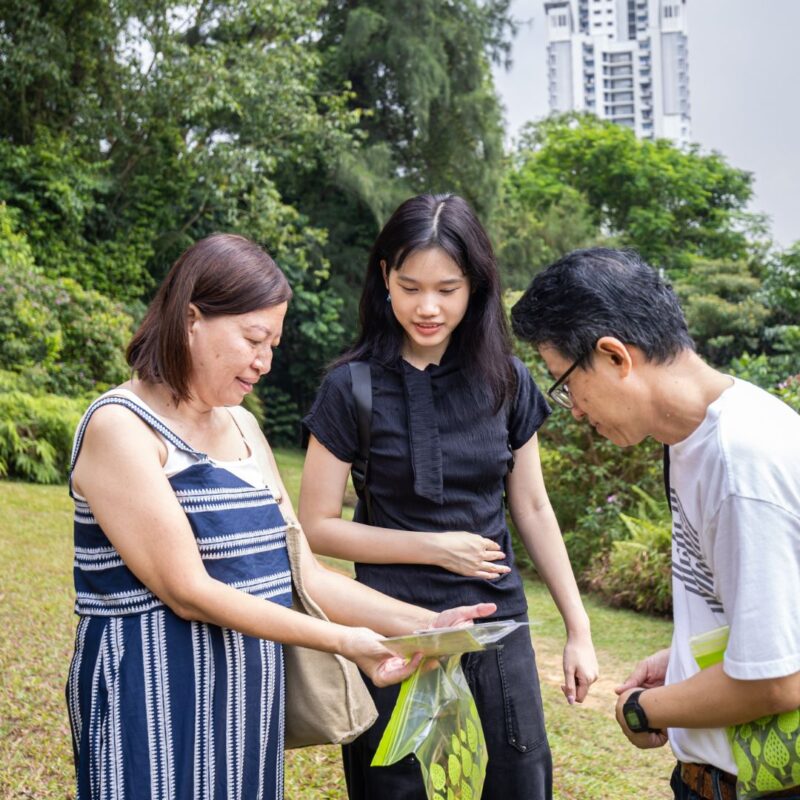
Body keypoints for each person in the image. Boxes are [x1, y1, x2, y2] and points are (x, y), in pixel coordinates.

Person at [66, 232, 495, 800]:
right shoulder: (120, 426)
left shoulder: (242, 427)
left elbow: (303, 574)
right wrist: (346, 641)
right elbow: (188, 591)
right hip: (151, 687)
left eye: (273, 344)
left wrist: (424, 625)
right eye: (253, 339)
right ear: (192, 319)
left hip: (247, 688)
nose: (264, 362)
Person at [298, 193, 598, 800]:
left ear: (475, 287)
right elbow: (318, 526)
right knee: (398, 786)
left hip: (496, 625)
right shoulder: (350, 387)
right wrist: (435, 548)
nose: (428, 307)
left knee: (516, 780)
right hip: (392, 629)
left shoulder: (507, 380)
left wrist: (579, 627)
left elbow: (533, 508)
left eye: (447, 289)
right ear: (385, 277)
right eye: (410, 287)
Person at [510, 247, 800, 800]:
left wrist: (644, 709)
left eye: (565, 383)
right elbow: (771, 623)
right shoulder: (697, 440)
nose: (574, 410)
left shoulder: (741, 463)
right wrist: (684, 662)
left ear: (614, 356)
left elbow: (776, 681)